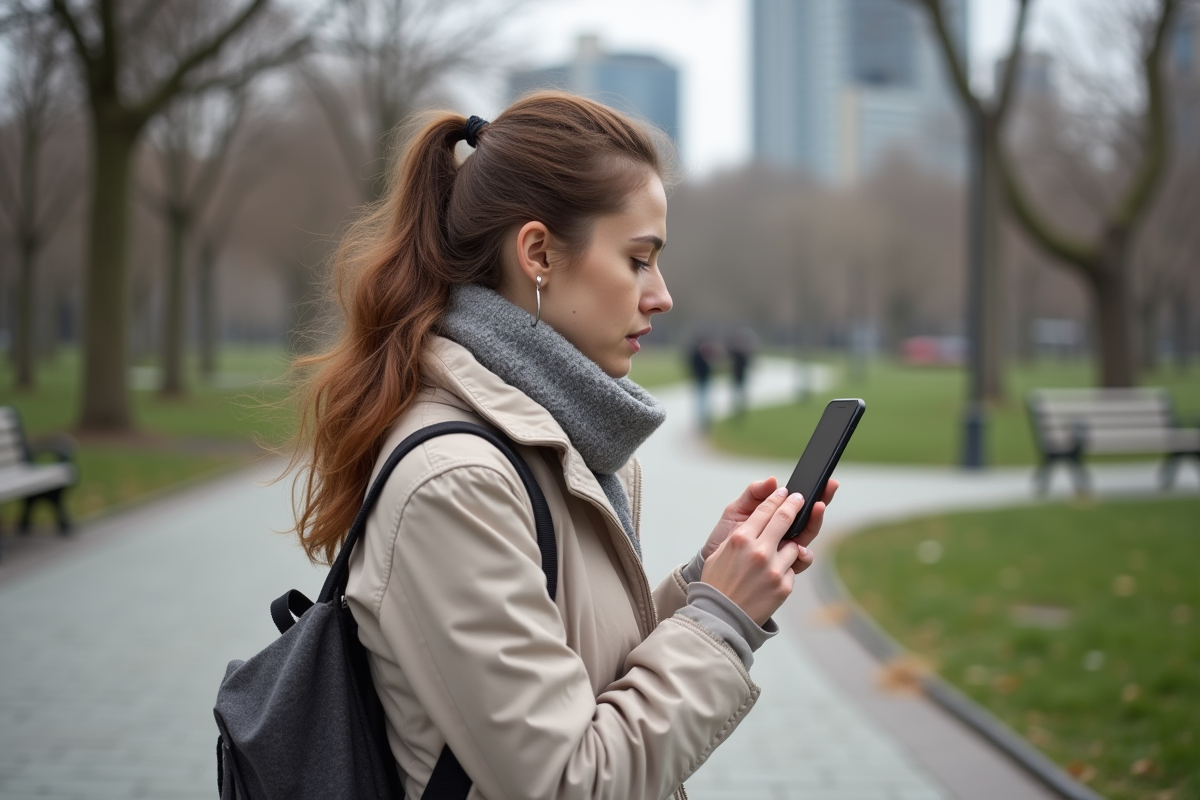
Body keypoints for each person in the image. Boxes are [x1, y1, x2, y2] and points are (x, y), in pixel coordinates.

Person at [288, 92, 838, 800]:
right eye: (639, 260)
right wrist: (720, 620)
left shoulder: (548, 440)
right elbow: (566, 781)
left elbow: (584, 672)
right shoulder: (457, 480)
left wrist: (711, 579)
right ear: (539, 253)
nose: (662, 295)